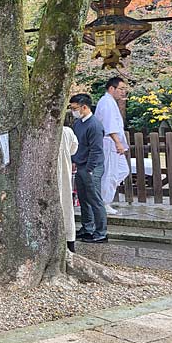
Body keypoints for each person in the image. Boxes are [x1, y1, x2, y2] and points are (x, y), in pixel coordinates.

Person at [70, 93, 107, 243]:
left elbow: (96, 150)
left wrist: (90, 168)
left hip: (92, 166)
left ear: (84, 107)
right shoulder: (78, 123)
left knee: (95, 199)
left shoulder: (95, 125)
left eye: (75, 108)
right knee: (83, 198)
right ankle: (87, 228)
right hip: (80, 165)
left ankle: (101, 232)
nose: (73, 111)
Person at [95, 77, 130, 215]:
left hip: (113, 142)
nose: (123, 92)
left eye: (124, 89)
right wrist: (117, 143)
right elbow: (109, 126)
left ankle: (102, 198)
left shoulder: (110, 102)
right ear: (111, 89)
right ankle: (104, 202)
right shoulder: (106, 103)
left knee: (122, 170)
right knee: (110, 173)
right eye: (121, 89)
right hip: (109, 142)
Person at [58, 118, 79, 252]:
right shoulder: (67, 132)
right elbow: (74, 148)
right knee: (65, 205)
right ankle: (69, 241)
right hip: (63, 173)